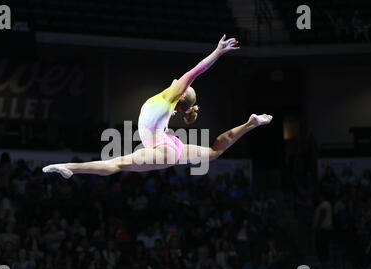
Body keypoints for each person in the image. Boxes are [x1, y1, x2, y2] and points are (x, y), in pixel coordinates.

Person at [43, 35, 273, 178]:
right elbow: (171, 114)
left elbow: (197, 70)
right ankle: (250, 123)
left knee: (116, 164)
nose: (177, 81)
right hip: (169, 146)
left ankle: (68, 167)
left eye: (182, 85)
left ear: (181, 93)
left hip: (163, 150)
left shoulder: (170, 96)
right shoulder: (168, 105)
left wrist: (218, 51)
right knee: (214, 152)